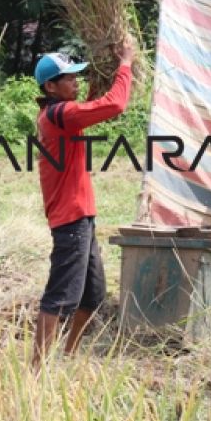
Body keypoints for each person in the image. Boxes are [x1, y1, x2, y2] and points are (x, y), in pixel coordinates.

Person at [32, 41, 134, 369]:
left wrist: (97, 82)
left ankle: (68, 356)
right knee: (61, 295)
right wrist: (126, 63)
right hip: (70, 219)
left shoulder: (62, 115)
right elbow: (116, 105)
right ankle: (36, 370)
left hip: (82, 217)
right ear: (50, 86)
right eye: (69, 78)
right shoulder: (59, 114)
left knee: (92, 296)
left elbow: (94, 105)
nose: (76, 82)